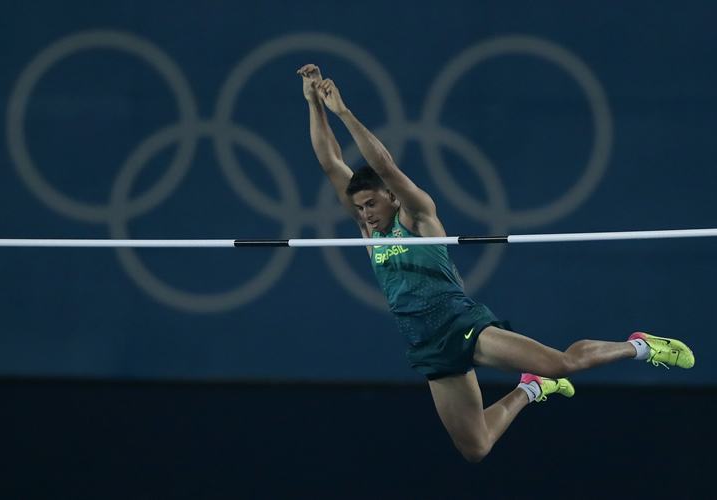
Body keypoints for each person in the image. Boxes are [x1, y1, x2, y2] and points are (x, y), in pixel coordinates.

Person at [296, 64, 695, 463]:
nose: (364, 213)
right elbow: (331, 163)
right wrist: (314, 104)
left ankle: (640, 346)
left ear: (393, 199)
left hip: (462, 326)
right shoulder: (369, 233)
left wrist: (343, 113)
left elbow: (385, 167)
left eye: (371, 204)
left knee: (563, 363)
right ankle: (531, 389)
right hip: (426, 346)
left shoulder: (416, 217)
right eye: (360, 207)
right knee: (476, 447)